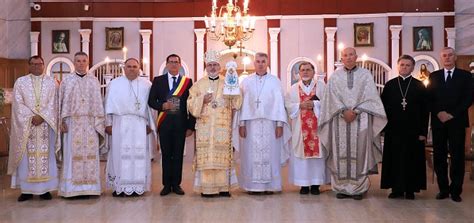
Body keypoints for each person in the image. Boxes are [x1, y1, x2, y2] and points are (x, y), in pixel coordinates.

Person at [319, 47, 387, 200]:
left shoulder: (366, 75)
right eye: (345, 55)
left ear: (356, 57)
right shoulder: (335, 77)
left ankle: (358, 188)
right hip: (339, 120)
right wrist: (343, 111)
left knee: (360, 152)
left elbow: (371, 98)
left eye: (351, 55)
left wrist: (355, 111)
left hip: (360, 119)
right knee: (339, 153)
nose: (348, 58)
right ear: (341, 58)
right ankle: (341, 188)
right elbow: (330, 98)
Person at [233, 52, 291, 194]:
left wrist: (279, 125)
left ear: (267, 63)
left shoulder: (274, 81)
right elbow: (241, 104)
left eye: (263, 61)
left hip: (270, 125)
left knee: (271, 154)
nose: (260, 64)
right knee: (250, 155)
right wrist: (241, 124)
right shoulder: (246, 82)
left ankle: (270, 186)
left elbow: (279, 104)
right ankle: (251, 186)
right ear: (254, 63)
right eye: (258, 61)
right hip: (250, 125)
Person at [187, 50, 242, 197]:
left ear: (220, 67)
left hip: (222, 126)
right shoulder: (199, 84)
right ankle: (206, 188)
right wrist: (201, 100)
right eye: (210, 65)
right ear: (206, 66)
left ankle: (224, 188)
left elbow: (237, 102)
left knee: (222, 156)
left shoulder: (228, 81)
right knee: (207, 157)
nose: (212, 67)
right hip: (205, 127)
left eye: (215, 65)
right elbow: (190, 104)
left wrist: (234, 92)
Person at [8, 56, 59, 202]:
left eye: (39, 64)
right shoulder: (21, 82)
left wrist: (42, 116)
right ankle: (26, 191)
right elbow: (17, 103)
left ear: (44, 65)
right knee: (25, 158)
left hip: (45, 125)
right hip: (27, 127)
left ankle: (45, 190)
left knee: (46, 156)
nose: (37, 66)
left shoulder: (52, 82)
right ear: (29, 66)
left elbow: (54, 103)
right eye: (33, 64)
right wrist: (32, 117)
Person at [105, 58, 156, 197]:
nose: (132, 69)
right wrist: (108, 123)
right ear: (124, 68)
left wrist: (150, 125)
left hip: (140, 125)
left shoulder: (147, 85)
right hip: (119, 123)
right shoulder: (114, 84)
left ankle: (138, 186)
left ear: (139, 68)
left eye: (135, 66)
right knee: (119, 154)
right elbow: (107, 105)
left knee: (138, 154)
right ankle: (119, 187)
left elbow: (151, 107)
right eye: (129, 66)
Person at [57, 52, 105, 198]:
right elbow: (61, 102)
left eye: (84, 61)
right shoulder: (67, 81)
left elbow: (98, 103)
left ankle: (90, 188)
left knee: (90, 155)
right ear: (74, 62)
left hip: (90, 124)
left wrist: (99, 124)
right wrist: (61, 121)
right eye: (78, 61)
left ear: (88, 62)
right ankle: (72, 190)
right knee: (73, 155)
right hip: (72, 123)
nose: (81, 63)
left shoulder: (94, 81)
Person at [380, 55, 429, 200]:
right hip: (393, 130)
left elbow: (425, 111)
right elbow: (382, 108)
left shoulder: (419, 86)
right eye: (402, 65)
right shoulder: (390, 85)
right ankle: (396, 189)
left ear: (413, 67)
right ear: (398, 66)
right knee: (394, 159)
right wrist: (384, 128)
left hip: (413, 130)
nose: (405, 67)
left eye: (408, 65)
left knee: (412, 159)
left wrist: (423, 132)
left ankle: (410, 189)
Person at [427, 47, 472, 202]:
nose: (447, 58)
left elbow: (469, 98)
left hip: (457, 122)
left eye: (450, 55)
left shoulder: (466, 76)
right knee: (439, 157)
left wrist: (452, 114)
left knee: (457, 157)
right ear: (441, 58)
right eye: (444, 55)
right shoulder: (434, 76)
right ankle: (443, 189)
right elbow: (430, 98)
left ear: (455, 57)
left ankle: (455, 191)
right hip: (438, 122)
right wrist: (439, 112)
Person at [148, 54, 195, 196]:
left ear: (180, 65)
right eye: (171, 62)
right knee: (166, 155)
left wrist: (190, 126)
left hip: (181, 125)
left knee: (178, 155)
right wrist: (162, 105)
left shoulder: (187, 82)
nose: (174, 65)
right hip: (164, 124)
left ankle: (177, 184)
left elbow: (191, 105)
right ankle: (166, 185)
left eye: (176, 62)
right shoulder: (158, 81)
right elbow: (151, 101)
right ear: (167, 64)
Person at [284, 62, 330, 195]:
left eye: (308, 70)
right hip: (300, 128)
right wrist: (300, 105)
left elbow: (328, 102)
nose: (305, 72)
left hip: (318, 129)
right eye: (302, 70)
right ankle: (303, 185)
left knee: (317, 157)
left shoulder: (322, 86)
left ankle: (316, 184)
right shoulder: (292, 89)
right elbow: (288, 105)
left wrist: (315, 104)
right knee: (301, 158)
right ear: (299, 73)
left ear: (313, 72)